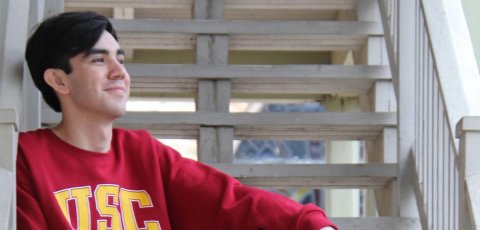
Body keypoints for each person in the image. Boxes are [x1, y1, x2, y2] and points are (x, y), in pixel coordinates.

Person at [17, 11, 337, 230]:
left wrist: (307, 223)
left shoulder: (144, 153)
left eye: (121, 59)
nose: (120, 72)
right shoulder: (26, 157)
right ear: (59, 81)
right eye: (99, 60)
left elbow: (229, 200)